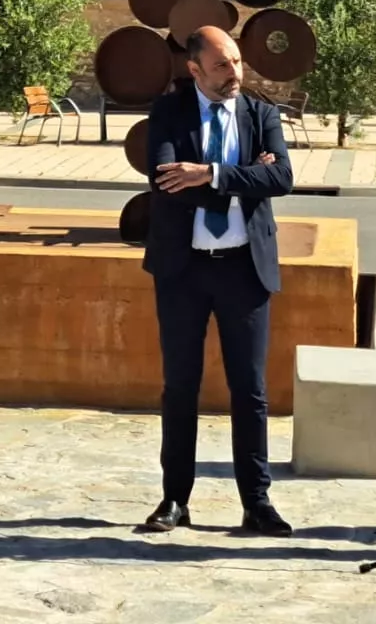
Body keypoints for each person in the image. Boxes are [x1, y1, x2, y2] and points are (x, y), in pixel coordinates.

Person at [137, 26, 295, 537]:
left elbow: (283, 179)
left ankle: (257, 501)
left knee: (249, 390)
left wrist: (210, 175)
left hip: (243, 269)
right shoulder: (168, 113)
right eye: (223, 65)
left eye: (238, 62)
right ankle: (174, 499)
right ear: (195, 69)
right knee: (179, 386)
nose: (235, 74)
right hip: (183, 270)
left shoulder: (261, 114)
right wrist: (242, 177)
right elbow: (165, 181)